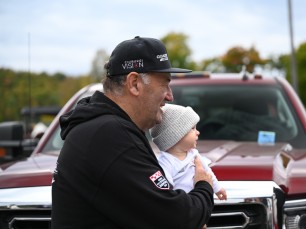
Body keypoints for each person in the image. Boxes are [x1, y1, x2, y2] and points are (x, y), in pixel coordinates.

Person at [51, 36, 214, 229]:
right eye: (165, 83)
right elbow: (178, 219)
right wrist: (204, 185)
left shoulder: (100, 128)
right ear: (134, 83)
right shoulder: (110, 135)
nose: (170, 96)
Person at [150, 104, 227, 200]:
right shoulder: (165, 162)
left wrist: (217, 188)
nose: (198, 132)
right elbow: (166, 191)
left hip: (198, 204)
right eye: (193, 128)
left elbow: (207, 172)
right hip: (182, 205)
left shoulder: (194, 154)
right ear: (177, 135)